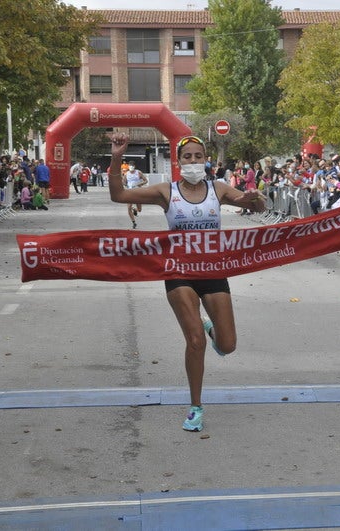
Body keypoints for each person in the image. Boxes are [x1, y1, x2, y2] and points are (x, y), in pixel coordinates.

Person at [108, 132, 266, 432]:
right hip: (178, 271)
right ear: (178, 161)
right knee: (195, 342)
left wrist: (254, 198)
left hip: (213, 270)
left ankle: (208, 325)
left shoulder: (218, 189)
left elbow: (257, 208)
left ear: (206, 160)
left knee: (227, 345)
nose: (193, 161)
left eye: (198, 156)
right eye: (187, 157)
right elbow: (119, 195)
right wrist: (117, 157)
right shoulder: (166, 192)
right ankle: (196, 407)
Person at [123, 162, 147, 228]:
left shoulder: (138, 172)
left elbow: (146, 180)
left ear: (134, 166)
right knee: (129, 208)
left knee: (139, 209)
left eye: (132, 165)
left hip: (137, 192)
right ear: (128, 167)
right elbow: (124, 182)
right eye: (130, 165)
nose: (131, 167)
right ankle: (134, 222)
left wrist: (140, 184)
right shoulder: (126, 174)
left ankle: (135, 210)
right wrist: (126, 185)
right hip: (129, 192)